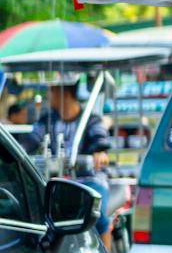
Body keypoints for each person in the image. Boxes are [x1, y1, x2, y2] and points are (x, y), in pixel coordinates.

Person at [28, 79, 114, 233]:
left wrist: (99, 153)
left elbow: (100, 138)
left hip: (90, 179)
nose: (48, 95)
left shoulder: (91, 119)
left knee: (97, 216)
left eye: (51, 91)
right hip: (58, 181)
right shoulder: (48, 120)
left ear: (65, 94)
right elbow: (31, 139)